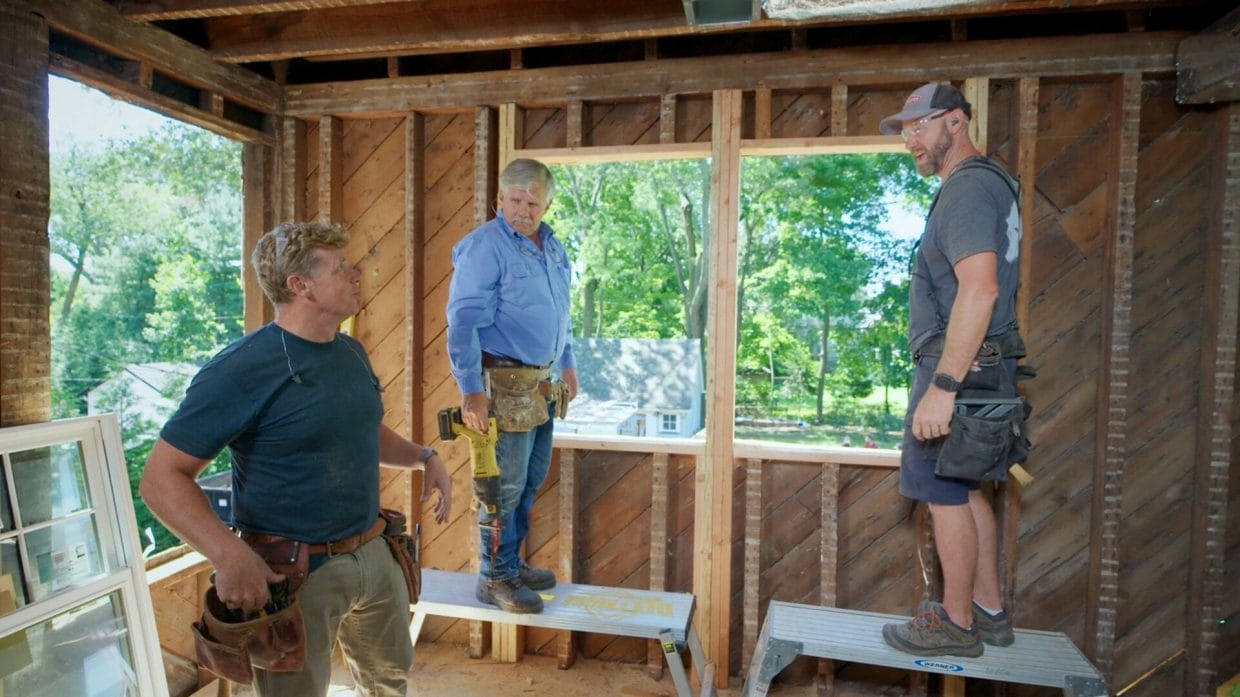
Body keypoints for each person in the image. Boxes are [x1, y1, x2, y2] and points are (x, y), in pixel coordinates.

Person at [140, 221, 453, 696]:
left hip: (374, 551)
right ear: (299, 285)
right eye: (341, 268)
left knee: (389, 681)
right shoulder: (241, 368)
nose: (356, 275)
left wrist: (423, 457)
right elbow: (162, 478)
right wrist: (228, 554)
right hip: (296, 575)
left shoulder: (351, 351)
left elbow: (361, 429)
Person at [877, 83, 1024, 657]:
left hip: (958, 367)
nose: (911, 139)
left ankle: (958, 624)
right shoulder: (992, 184)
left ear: (957, 122)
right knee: (965, 487)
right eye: (906, 129)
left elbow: (980, 288)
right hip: (988, 364)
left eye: (921, 125)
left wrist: (942, 387)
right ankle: (988, 611)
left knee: (942, 489)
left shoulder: (965, 191)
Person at [446, 158, 578, 614]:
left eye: (533, 202)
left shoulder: (552, 246)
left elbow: (563, 313)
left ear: (547, 203)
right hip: (499, 385)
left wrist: (569, 364)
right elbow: (462, 322)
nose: (523, 209)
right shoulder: (484, 247)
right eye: (515, 200)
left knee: (527, 483)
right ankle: (495, 576)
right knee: (501, 487)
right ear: (499, 199)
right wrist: (470, 390)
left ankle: (512, 564)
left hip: (541, 385)